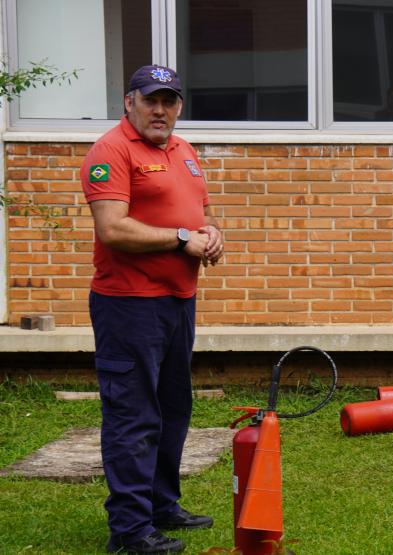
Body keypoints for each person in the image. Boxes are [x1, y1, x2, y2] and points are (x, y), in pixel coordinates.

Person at [80, 65, 223, 554]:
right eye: (150, 100)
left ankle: (161, 505)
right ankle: (129, 530)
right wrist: (183, 238)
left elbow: (200, 212)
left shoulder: (183, 150)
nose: (160, 110)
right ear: (129, 102)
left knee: (173, 409)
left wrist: (211, 233)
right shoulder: (111, 151)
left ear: (179, 106)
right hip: (129, 305)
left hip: (178, 301)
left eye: (169, 101)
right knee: (134, 414)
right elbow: (113, 229)